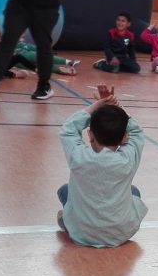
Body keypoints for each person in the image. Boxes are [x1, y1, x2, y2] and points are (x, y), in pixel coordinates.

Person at [57, 85, 147, 247]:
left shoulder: (79, 157)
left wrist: (95, 107)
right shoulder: (128, 159)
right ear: (124, 137)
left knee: (65, 190)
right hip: (121, 233)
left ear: (90, 135)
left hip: (81, 233)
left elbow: (68, 130)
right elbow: (137, 132)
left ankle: (70, 222)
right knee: (134, 191)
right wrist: (115, 108)